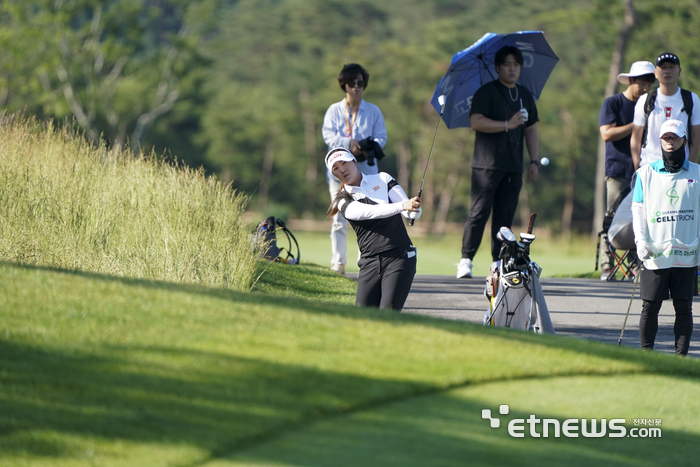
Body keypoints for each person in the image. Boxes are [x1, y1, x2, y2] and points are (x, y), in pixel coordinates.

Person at [457, 45, 539, 279]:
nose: (512, 69)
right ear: (498, 67)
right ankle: (466, 259)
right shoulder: (487, 92)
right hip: (486, 164)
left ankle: (498, 262)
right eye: (507, 64)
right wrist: (507, 124)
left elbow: (531, 129)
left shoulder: (525, 95)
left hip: (513, 165)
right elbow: (476, 121)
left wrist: (533, 161)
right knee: (479, 212)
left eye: (516, 64)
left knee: (505, 217)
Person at [632, 119, 698, 355]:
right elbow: (638, 210)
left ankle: (680, 358)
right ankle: (646, 355)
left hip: (686, 253)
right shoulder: (645, 173)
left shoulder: (697, 173)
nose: (670, 142)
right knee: (649, 307)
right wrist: (640, 241)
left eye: (675, 137)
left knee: (684, 307)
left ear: (684, 141)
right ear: (660, 141)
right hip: (655, 253)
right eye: (665, 138)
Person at [326, 148, 420, 310]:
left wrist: (414, 209)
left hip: (400, 257)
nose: (342, 169)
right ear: (334, 175)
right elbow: (368, 212)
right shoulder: (342, 200)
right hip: (369, 262)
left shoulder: (383, 179)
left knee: (387, 314)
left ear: (354, 162)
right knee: (363, 318)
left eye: (344, 163)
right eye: (336, 168)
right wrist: (402, 206)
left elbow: (410, 213)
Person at [322, 63, 387, 276]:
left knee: (367, 216)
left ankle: (366, 263)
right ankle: (337, 264)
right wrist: (350, 142)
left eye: (360, 83)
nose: (356, 87)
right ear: (344, 85)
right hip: (340, 171)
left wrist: (369, 145)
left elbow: (381, 136)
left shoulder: (374, 110)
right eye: (351, 83)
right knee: (339, 217)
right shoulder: (334, 110)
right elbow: (328, 136)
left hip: (366, 171)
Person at [597, 61, 655, 280]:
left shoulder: (650, 104)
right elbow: (607, 133)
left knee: (640, 217)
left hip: (643, 170)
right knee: (611, 217)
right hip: (618, 170)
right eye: (642, 82)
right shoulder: (613, 103)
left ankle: (635, 265)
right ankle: (606, 265)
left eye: (649, 83)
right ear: (631, 80)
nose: (646, 88)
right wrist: (637, 123)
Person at [630, 53, 700, 169]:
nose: (667, 71)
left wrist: (689, 166)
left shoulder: (691, 99)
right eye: (663, 67)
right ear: (655, 73)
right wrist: (638, 166)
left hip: (681, 168)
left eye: (671, 67)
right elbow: (636, 136)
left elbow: (696, 135)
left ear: (679, 71)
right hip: (650, 166)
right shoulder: (645, 100)